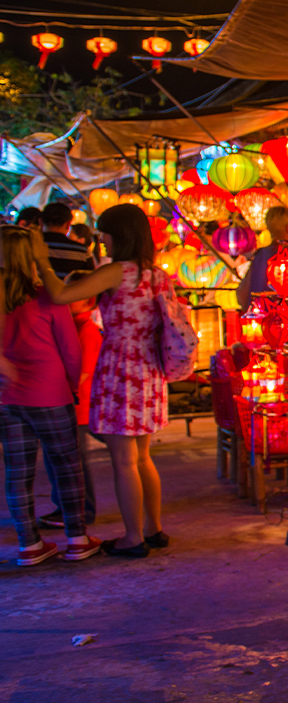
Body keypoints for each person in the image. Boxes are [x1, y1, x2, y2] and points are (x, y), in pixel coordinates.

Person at [32, 204, 168, 558]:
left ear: (118, 234)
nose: (99, 238)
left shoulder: (116, 271)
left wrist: (41, 262)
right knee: (141, 457)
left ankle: (132, 538)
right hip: (149, 368)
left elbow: (61, 296)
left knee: (123, 460)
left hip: (121, 367)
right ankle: (153, 529)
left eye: (103, 231)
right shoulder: (156, 274)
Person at [0, 227, 99, 565]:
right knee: (67, 466)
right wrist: (73, 385)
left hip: (8, 398)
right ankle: (77, 537)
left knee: (17, 471)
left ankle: (28, 544)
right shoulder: (46, 297)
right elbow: (71, 351)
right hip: (50, 392)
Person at [38, 270, 102, 529]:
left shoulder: (87, 331)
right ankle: (64, 506)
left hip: (76, 405)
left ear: (89, 300)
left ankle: (82, 511)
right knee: (57, 459)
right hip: (64, 402)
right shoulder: (70, 326)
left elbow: (83, 374)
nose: (64, 297)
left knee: (73, 461)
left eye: (73, 294)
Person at [236, 206, 288, 311]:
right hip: (283, 318)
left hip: (259, 314)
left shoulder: (260, 254)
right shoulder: (286, 257)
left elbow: (242, 292)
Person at [40, 202, 91, 277]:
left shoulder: (27, 244)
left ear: (40, 222)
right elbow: (90, 280)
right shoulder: (82, 251)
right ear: (68, 224)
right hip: (72, 288)